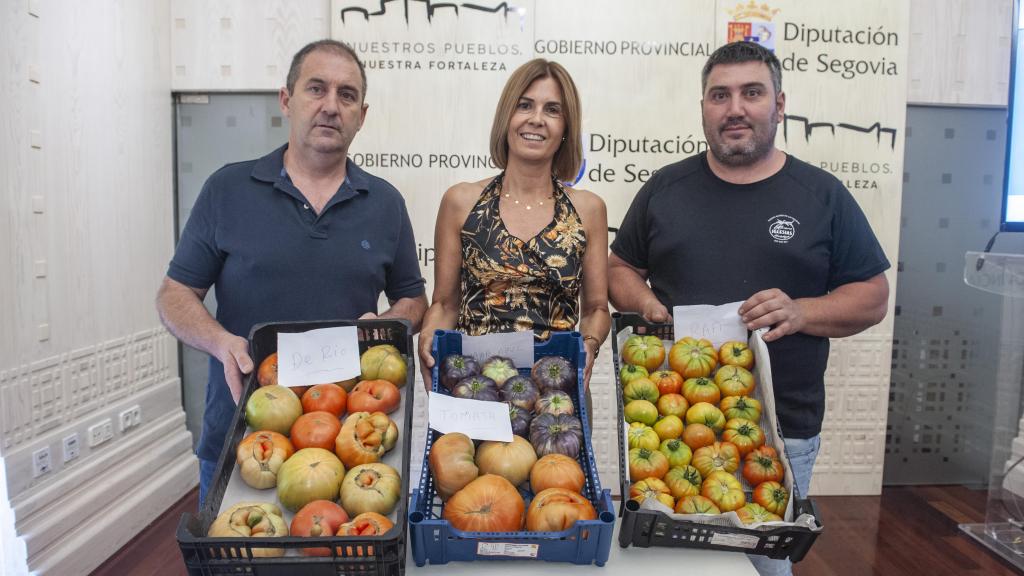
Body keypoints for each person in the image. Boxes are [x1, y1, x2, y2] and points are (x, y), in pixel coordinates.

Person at [608, 41, 889, 576]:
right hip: (665, 425)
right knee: (670, 567)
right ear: (704, 108)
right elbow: (619, 268)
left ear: (779, 105)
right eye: (720, 95)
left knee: (763, 569)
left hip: (780, 432)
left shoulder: (821, 194)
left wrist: (802, 312)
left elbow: (873, 295)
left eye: (752, 93)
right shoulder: (666, 187)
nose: (735, 108)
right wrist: (645, 303)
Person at [156, 40, 427, 506]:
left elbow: (414, 299)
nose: (331, 106)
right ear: (286, 100)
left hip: (351, 438)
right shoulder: (227, 189)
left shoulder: (385, 203)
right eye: (316, 89)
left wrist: (386, 324)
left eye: (346, 95)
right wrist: (221, 342)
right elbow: (175, 293)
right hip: (243, 432)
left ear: (361, 115)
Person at [418, 58, 610, 389]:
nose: (536, 119)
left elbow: (596, 309)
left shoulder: (589, 209)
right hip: (475, 389)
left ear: (566, 127)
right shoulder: (460, 201)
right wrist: (428, 335)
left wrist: (589, 344)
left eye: (552, 110)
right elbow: (445, 304)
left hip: (557, 391)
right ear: (507, 116)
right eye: (525, 105)